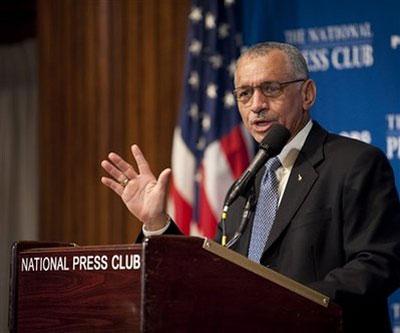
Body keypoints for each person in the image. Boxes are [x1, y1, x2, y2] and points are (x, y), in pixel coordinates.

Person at [101, 42, 400, 332]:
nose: (257, 105)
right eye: (245, 94)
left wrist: (283, 308)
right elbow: (212, 275)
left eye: (271, 89)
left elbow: (378, 264)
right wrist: (157, 223)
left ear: (307, 94)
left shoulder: (355, 164)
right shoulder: (244, 185)